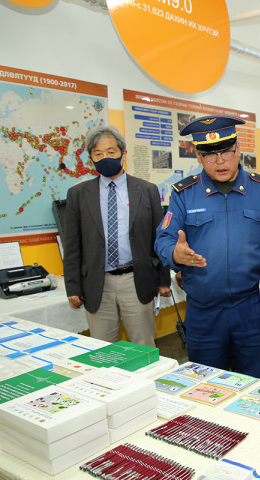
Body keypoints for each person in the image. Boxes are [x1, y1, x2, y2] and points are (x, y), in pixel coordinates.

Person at [155, 115, 260, 380]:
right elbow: (163, 238)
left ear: (238, 149)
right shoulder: (184, 194)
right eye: (209, 155)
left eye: (226, 152)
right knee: (207, 388)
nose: (219, 161)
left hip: (253, 310)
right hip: (204, 313)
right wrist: (174, 253)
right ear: (198, 157)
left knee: (257, 387)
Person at [63, 125, 171, 347]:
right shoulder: (78, 195)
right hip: (96, 282)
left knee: (143, 345)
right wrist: (73, 287)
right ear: (91, 157)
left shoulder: (147, 190)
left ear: (123, 153)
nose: (104, 157)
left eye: (111, 152)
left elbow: (159, 238)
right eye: (98, 153)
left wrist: (163, 280)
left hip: (136, 279)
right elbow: (72, 244)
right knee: (102, 350)